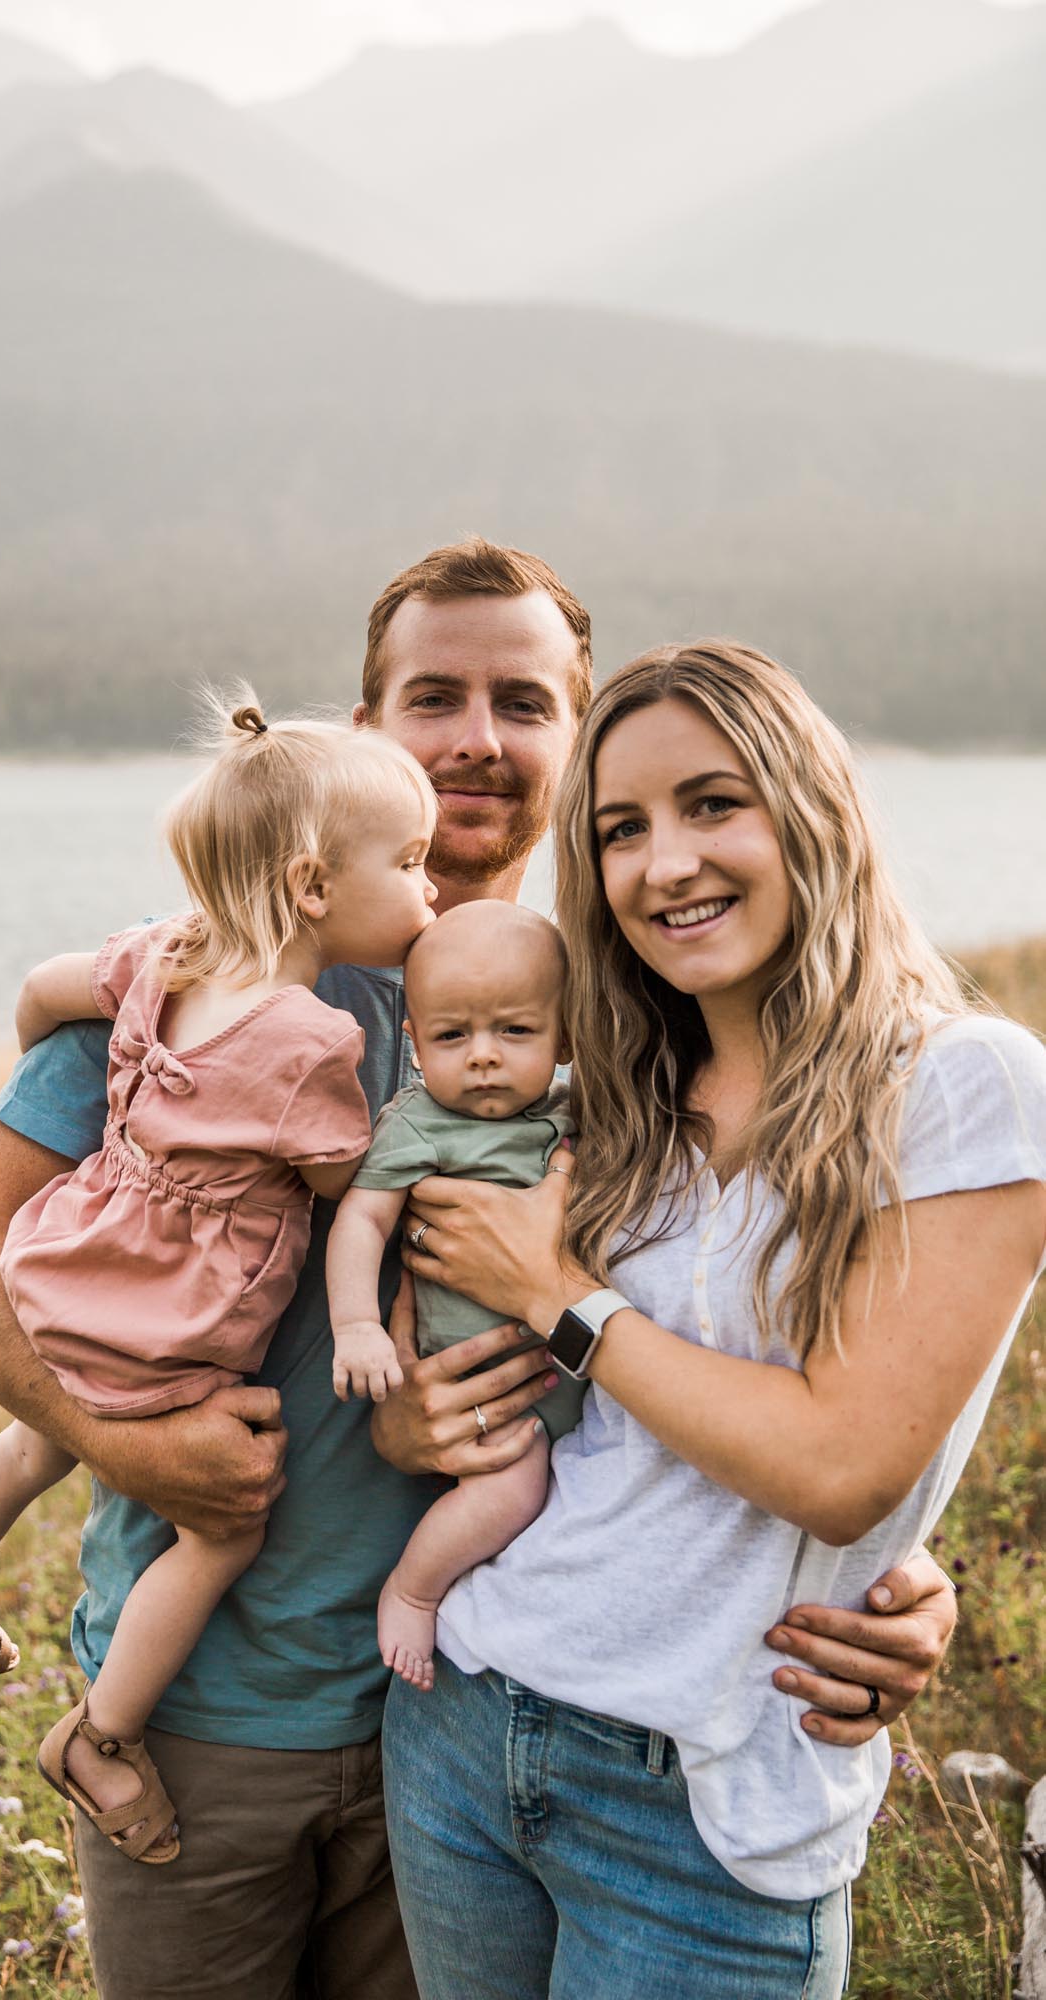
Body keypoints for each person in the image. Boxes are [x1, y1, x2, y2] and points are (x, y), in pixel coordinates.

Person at [0, 543, 958, 2000]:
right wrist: (122, 1442)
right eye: (434, 696)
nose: (476, 736)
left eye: (523, 702)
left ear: (575, 739)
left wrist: (885, 1562)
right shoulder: (229, 973)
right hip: (218, 1711)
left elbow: (743, 1326)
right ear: (367, 727)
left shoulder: (637, 1007)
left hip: (474, 1705)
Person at [386, 639, 1046, 1999]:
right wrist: (414, 1409)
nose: (663, 862)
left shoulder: (963, 1085)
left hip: (702, 1800)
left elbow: (839, 1466)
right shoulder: (615, 1097)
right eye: (619, 830)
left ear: (810, 805)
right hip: (468, 1720)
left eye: (711, 803)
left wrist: (555, 1297)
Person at [0, 699, 436, 1864]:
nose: (426, 890)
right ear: (313, 887)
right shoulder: (309, 1040)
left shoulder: (165, 958)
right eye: (411, 863)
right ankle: (106, 1731)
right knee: (219, 1537)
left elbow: (40, 994)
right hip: (175, 1324)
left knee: (39, 1441)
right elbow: (354, 1183)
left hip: (72, 1265)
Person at [328, 900, 580, 1690]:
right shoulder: (418, 1123)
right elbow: (361, 1223)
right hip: (485, 1383)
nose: (481, 1058)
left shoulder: (580, 1113)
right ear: (413, 1042)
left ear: (564, 1035)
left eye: (513, 1031)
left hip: (577, 1367)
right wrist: (358, 1328)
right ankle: (414, 1588)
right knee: (513, 1480)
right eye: (451, 1036)